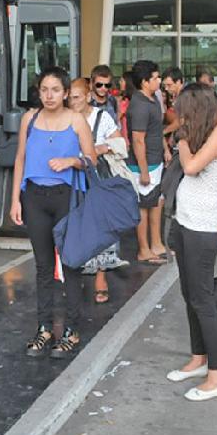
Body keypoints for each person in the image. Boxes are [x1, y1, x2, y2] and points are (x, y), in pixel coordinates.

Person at [10, 66, 96, 359]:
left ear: (64, 92)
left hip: (66, 198)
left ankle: (72, 329)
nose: (49, 95)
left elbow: (91, 160)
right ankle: (44, 328)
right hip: (33, 197)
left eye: (55, 90)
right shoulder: (29, 119)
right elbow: (20, 158)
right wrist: (15, 200)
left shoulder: (76, 121)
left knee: (70, 265)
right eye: (44, 90)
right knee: (43, 266)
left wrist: (72, 160)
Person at [165, 83, 217, 401]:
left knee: (203, 300)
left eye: (183, 111)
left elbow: (192, 166)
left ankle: (216, 376)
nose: (180, 117)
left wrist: (181, 139)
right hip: (186, 222)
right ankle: (199, 358)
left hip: (204, 227)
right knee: (189, 295)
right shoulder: (209, 127)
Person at [67, 78, 128, 304]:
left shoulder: (101, 118)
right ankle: (78, 272)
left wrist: (98, 149)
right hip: (72, 179)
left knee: (102, 228)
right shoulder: (64, 118)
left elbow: (121, 144)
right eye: (69, 97)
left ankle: (100, 277)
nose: (72, 102)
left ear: (88, 96)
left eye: (77, 97)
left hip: (98, 179)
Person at [127, 60, 171, 265]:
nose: (159, 81)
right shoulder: (140, 105)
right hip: (145, 166)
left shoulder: (152, 99)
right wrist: (143, 171)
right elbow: (137, 140)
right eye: (155, 77)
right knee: (143, 207)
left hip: (155, 161)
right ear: (145, 82)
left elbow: (156, 130)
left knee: (155, 203)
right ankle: (143, 249)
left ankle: (156, 244)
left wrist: (165, 150)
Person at [161, 67, 183, 142]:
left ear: (178, 82)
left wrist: (164, 131)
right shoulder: (176, 96)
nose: (166, 88)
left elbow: (181, 121)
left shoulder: (186, 97)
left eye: (169, 85)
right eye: (165, 86)